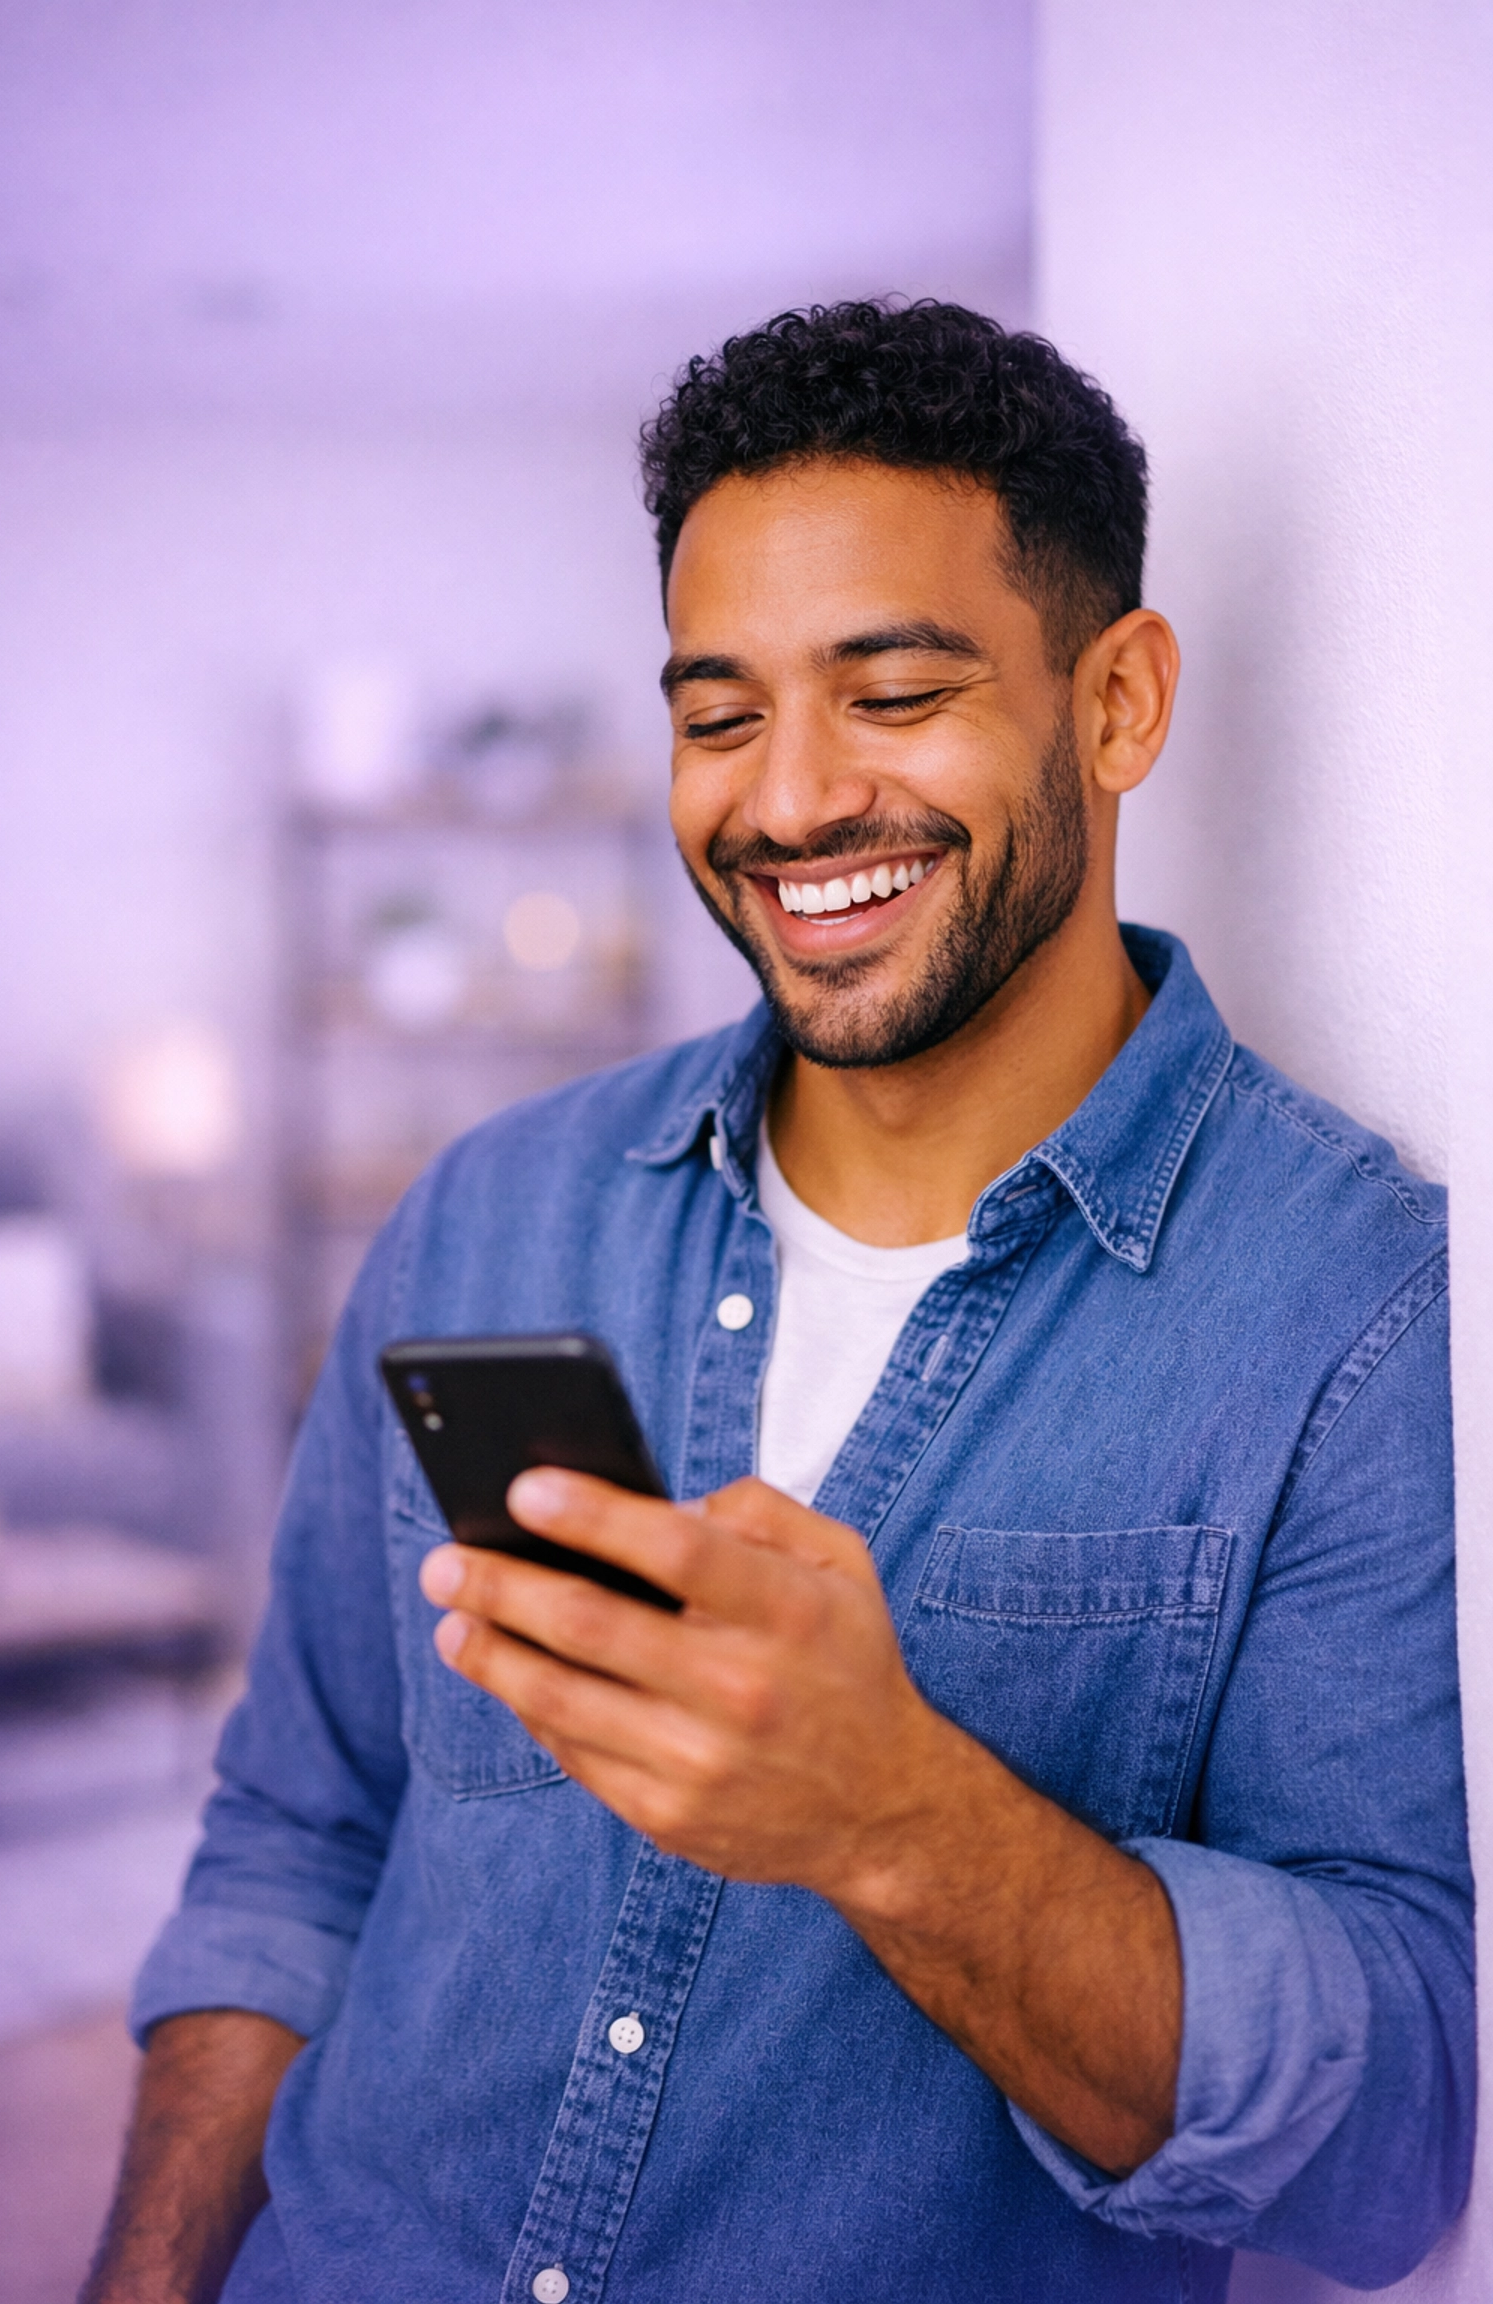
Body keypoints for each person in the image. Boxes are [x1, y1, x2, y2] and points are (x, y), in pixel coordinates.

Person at [85, 302, 1471, 2304]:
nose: (791, 804)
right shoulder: (489, 1217)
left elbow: (1395, 2144)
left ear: (1121, 704)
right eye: (720, 717)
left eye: (893, 694)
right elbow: (302, 1834)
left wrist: (898, 1819)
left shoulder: (1348, 1313)